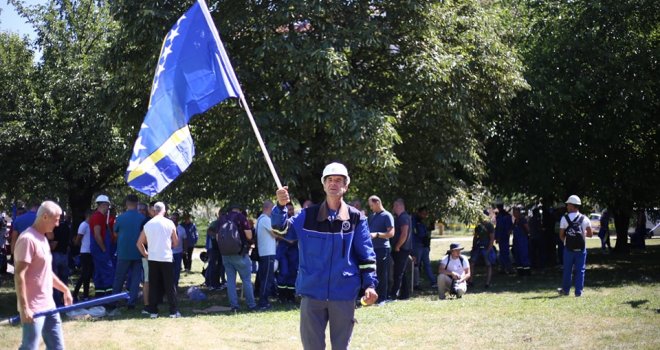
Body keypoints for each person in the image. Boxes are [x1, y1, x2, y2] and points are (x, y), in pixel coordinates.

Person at [272, 162, 378, 349]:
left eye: (338, 180)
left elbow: (366, 256)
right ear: (323, 184)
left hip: (343, 294)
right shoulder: (307, 215)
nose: (333, 183)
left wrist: (369, 285)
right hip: (312, 294)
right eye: (329, 179)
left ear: (345, 186)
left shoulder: (356, 218)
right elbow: (281, 229)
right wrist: (280, 207)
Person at [14, 201, 73, 350]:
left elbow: (46, 273)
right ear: (45, 217)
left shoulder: (43, 239)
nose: (58, 224)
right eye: (56, 219)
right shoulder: (28, 239)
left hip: (49, 306)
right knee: (29, 347)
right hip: (34, 308)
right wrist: (24, 307)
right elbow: (19, 274)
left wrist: (64, 289)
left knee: (57, 348)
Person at [137, 202, 181, 318]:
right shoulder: (170, 223)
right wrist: (168, 247)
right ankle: (173, 311)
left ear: (153, 211)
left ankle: (153, 311)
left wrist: (146, 254)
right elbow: (176, 242)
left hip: (153, 258)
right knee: (169, 285)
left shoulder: (148, 224)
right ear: (164, 210)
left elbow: (139, 243)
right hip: (166, 257)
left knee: (153, 284)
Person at [109, 194, 145, 313]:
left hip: (123, 252)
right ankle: (131, 303)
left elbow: (115, 233)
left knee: (119, 277)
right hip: (138, 252)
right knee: (135, 279)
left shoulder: (120, 218)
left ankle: (114, 301)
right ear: (137, 203)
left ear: (126, 203)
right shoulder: (142, 218)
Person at [218, 205, 257, 311]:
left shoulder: (222, 218)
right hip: (240, 253)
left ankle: (234, 306)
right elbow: (249, 236)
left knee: (230, 280)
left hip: (225, 254)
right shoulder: (241, 217)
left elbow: (218, 237)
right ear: (239, 209)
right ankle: (251, 305)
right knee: (246, 280)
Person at [558, 195, 592, 297]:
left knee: (567, 270)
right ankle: (578, 292)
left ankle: (565, 291)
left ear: (572, 206)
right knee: (580, 270)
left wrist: (567, 242)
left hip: (568, 249)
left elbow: (561, 235)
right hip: (581, 249)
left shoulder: (564, 218)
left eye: (568, 204)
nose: (567, 206)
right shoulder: (584, 218)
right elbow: (590, 234)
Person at [367, 195, 394, 304]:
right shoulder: (372, 216)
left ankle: (383, 298)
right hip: (372, 249)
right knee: (374, 273)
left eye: (372, 205)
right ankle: (374, 297)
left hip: (383, 248)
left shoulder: (387, 215)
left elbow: (391, 233)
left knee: (382, 274)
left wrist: (377, 234)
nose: (371, 208)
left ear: (377, 202)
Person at [89, 194, 115, 297]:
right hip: (100, 250)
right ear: (103, 205)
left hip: (98, 249)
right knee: (108, 272)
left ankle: (99, 296)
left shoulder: (100, 217)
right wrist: (104, 249)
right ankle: (109, 298)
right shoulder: (98, 217)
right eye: (107, 205)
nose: (108, 208)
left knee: (99, 274)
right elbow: (97, 234)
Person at [256, 200, 279, 310]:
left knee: (264, 278)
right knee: (267, 279)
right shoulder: (265, 219)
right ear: (269, 208)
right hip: (268, 253)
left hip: (265, 253)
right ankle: (263, 302)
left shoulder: (260, 219)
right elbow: (275, 234)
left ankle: (263, 300)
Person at [276, 202, 299, 304]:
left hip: (294, 250)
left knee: (293, 272)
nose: (291, 211)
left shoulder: (297, 221)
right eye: (289, 210)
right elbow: (275, 234)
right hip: (283, 249)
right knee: (284, 272)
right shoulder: (281, 221)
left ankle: (291, 296)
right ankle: (282, 296)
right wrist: (287, 240)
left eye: (292, 209)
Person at [390, 198, 412, 300]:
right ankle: (405, 294)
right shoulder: (401, 217)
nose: (393, 208)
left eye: (395, 206)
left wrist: (397, 246)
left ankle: (394, 295)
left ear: (399, 206)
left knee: (398, 273)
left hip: (402, 249)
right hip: (402, 248)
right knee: (401, 273)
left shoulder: (403, 217)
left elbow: (404, 234)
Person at [411, 206, 437, 289]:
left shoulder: (422, 221)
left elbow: (425, 232)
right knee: (416, 265)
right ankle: (416, 284)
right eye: (423, 214)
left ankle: (433, 282)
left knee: (427, 264)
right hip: (417, 246)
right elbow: (416, 234)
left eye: (426, 214)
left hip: (424, 246)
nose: (425, 216)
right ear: (418, 213)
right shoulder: (414, 221)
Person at [469, 211, 495, 288]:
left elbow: (491, 239)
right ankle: (471, 281)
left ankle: (487, 283)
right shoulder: (478, 226)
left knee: (488, 264)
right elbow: (475, 237)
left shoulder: (490, 226)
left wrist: (489, 250)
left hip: (486, 247)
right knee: (472, 262)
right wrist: (473, 247)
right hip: (478, 247)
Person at [49, 213, 71, 307]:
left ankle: (57, 301)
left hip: (55, 254)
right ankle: (65, 299)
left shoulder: (55, 227)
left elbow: (53, 243)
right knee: (64, 279)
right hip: (64, 254)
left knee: (55, 279)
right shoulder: (66, 226)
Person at [73, 210, 93, 302]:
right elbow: (78, 239)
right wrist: (79, 245)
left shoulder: (90, 225)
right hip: (85, 252)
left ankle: (86, 295)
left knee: (88, 275)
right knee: (84, 274)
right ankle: (75, 293)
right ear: (88, 215)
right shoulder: (84, 225)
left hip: (90, 252)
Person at [205, 209, 226, 290]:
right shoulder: (215, 223)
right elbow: (209, 231)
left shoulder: (224, 223)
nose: (224, 215)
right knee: (213, 266)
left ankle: (217, 283)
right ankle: (210, 283)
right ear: (219, 214)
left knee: (219, 266)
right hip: (214, 248)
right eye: (222, 214)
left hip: (221, 248)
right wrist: (217, 236)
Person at [495, 200, 514, 274]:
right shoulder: (504, 215)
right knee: (503, 252)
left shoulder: (503, 216)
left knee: (504, 252)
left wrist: (497, 237)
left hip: (504, 236)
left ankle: (508, 268)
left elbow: (507, 227)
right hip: (503, 236)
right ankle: (503, 268)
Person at [512, 206, 531, 275]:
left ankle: (527, 270)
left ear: (518, 212)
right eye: (513, 212)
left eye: (515, 212)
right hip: (516, 240)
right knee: (517, 255)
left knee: (523, 254)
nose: (514, 214)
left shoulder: (522, 219)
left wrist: (528, 235)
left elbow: (527, 229)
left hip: (522, 240)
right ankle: (520, 270)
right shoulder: (515, 221)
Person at [170, 212, 185, 288]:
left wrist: (184, 250)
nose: (174, 220)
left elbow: (185, 240)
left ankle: (175, 284)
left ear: (178, 219)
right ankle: (169, 285)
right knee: (169, 270)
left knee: (177, 269)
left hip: (179, 252)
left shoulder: (182, 229)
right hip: (169, 253)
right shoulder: (167, 228)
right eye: (173, 218)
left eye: (176, 218)